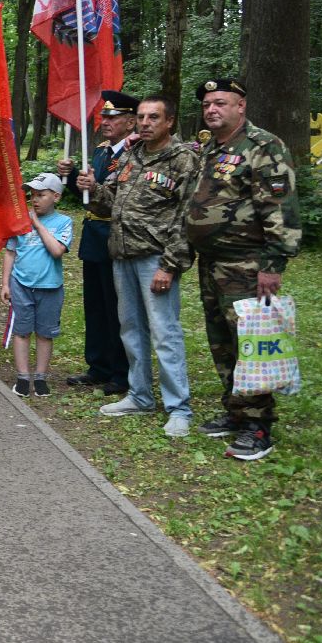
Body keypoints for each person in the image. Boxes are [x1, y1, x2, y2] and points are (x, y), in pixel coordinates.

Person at [184, 77, 301, 461]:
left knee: (249, 342)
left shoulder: (263, 147)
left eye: (220, 103)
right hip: (212, 263)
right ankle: (236, 410)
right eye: (207, 105)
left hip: (247, 264)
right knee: (221, 341)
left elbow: (279, 208)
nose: (212, 110)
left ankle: (258, 424)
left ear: (241, 106)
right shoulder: (210, 149)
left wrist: (272, 264)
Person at [80, 94, 202, 436]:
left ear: (169, 122)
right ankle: (140, 395)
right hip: (121, 255)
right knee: (130, 329)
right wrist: (93, 188)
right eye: (143, 117)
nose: (146, 123)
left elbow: (187, 217)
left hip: (155, 259)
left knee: (165, 332)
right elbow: (111, 203)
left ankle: (179, 408)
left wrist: (170, 265)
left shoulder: (183, 159)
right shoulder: (131, 155)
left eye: (154, 118)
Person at [56, 90, 138, 394]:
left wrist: (93, 187)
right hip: (94, 237)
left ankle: (121, 372)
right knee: (95, 307)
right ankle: (98, 365)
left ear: (130, 122)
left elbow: (121, 198)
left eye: (113, 117)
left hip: (117, 237)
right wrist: (73, 176)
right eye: (104, 116)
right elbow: (90, 199)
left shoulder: (134, 152)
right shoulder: (103, 151)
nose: (105, 121)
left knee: (117, 307)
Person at [1, 173, 73, 397]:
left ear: (56, 197)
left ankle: (40, 377)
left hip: (50, 287)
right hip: (21, 284)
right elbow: (10, 253)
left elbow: (57, 250)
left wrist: (37, 225)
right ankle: (23, 377)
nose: (35, 200)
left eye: (41, 195)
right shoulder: (21, 221)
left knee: (45, 333)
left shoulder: (64, 222)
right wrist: (5, 283)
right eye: (32, 195)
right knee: (22, 331)